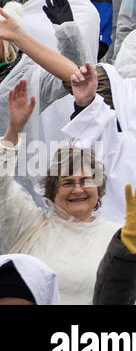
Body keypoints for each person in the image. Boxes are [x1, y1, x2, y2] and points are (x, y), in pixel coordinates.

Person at [0, 80, 115, 304]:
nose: (78, 189)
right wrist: (13, 131)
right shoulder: (29, 226)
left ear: (99, 188)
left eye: (86, 181)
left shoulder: (119, 237)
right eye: (68, 182)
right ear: (52, 190)